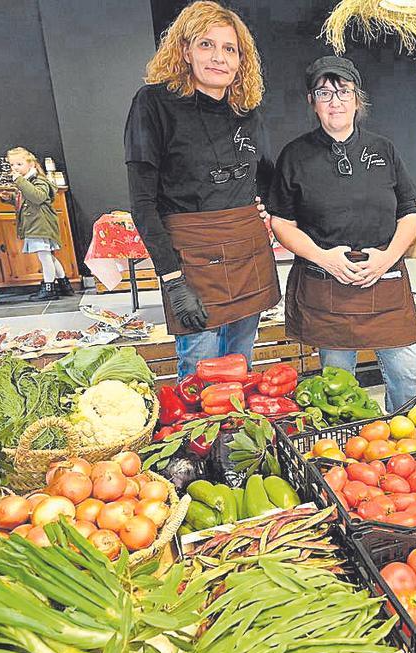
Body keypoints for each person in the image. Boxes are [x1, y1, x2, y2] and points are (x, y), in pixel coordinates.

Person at [125, 1, 279, 377]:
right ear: (185, 50)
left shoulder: (246, 110)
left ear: (241, 60)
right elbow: (143, 203)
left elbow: (267, 174)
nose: (219, 57)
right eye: (206, 45)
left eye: (230, 49)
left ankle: (239, 435)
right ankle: (203, 439)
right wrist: (172, 279)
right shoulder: (153, 103)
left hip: (248, 251)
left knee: (241, 366)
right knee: (200, 368)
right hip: (192, 259)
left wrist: (268, 208)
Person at [268, 56, 416, 412]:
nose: (335, 101)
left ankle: (404, 446)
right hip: (328, 281)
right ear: (312, 102)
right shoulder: (295, 155)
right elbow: (281, 223)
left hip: (384, 279)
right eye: (324, 93)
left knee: (405, 370)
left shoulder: (384, 150)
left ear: (357, 98)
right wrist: (324, 257)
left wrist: (386, 258)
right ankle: (347, 449)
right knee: (339, 383)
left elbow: (409, 212)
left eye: (343, 91)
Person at [4, 147, 73, 301]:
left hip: (40, 225)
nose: (15, 168)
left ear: (31, 164)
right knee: (48, 256)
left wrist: (19, 181)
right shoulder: (26, 182)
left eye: (19, 164)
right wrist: (10, 198)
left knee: (45, 257)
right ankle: (64, 284)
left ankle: (49, 287)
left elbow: (38, 197)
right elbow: (26, 200)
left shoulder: (38, 181)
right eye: (12, 165)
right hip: (36, 225)